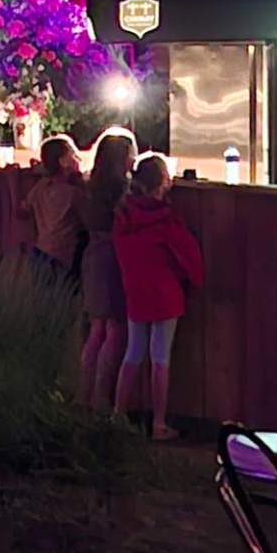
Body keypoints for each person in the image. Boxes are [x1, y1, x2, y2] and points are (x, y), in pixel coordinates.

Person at [110, 149, 206, 440]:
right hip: (165, 296)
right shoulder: (166, 221)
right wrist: (195, 282)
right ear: (162, 182)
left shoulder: (123, 218)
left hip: (135, 292)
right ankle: (159, 423)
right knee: (160, 358)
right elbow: (191, 259)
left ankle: (117, 415)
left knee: (133, 353)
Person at [72, 128, 137, 405]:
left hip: (92, 256)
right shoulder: (123, 191)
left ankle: (82, 395)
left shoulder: (87, 188)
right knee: (115, 330)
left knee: (96, 329)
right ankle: (100, 399)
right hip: (114, 257)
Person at [26, 133, 87, 280]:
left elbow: (24, 208)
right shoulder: (73, 194)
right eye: (73, 154)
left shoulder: (41, 187)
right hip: (63, 258)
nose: (78, 158)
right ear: (63, 161)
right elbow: (90, 222)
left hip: (40, 253)